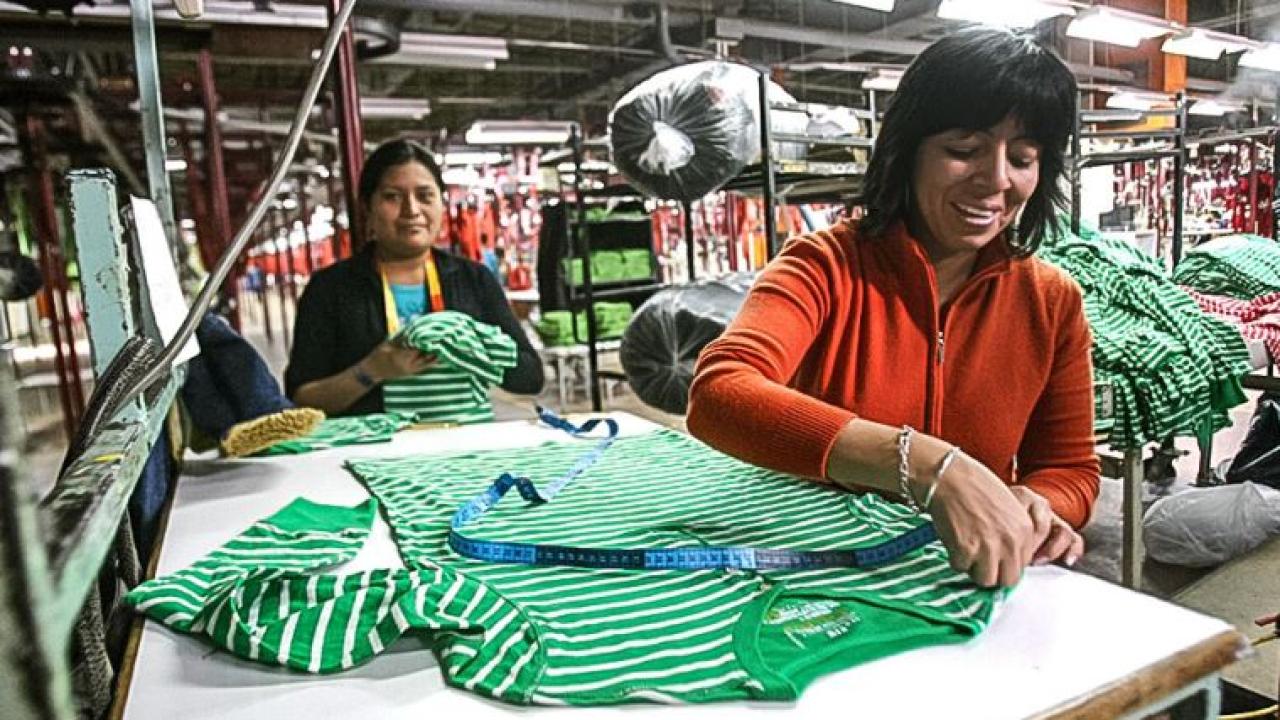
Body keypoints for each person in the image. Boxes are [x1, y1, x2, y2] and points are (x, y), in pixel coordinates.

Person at [686, 27, 1100, 589]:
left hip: (964, 583)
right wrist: (928, 465)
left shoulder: (1051, 302)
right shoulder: (825, 265)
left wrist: (1037, 505)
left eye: (1023, 157)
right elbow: (720, 393)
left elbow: (1071, 471)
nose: (996, 180)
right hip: (820, 576)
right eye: (964, 150)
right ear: (909, 150)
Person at [285, 140, 543, 419]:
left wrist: (475, 351)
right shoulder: (330, 289)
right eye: (393, 196)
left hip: (465, 450)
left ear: (441, 205)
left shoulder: (474, 280)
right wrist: (372, 370)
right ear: (367, 209)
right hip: (372, 455)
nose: (412, 210)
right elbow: (301, 400)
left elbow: (530, 378)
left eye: (425, 195)